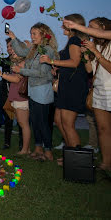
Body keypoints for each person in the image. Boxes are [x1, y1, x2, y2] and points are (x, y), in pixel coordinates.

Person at [40, 14, 89, 165]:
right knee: (58, 120)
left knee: (68, 123)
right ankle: (70, 153)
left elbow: (75, 62)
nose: (62, 26)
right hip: (65, 84)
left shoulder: (75, 40)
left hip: (74, 86)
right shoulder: (70, 42)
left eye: (65, 23)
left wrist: (53, 61)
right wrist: (57, 68)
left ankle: (77, 161)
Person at [8, 23, 58, 161]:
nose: (32, 36)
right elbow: (21, 52)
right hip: (33, 90)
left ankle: (48, 151)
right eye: (31, 33)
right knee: (35, 121)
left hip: (42, 90)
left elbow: (41, 73)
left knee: (42, 122)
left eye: (35, 34)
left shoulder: (47, 50)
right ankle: (38, 148)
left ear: (43, 34)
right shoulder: (34, 49)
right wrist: (13, 38)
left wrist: (21, 71)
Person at [80, 17, 111, 171]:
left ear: (103, 27)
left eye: (92, 27)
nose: (90, 31)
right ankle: (106, 163)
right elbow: (89, 71)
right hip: (99, 90)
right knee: (103, 129)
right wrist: (86, 56)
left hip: (110, 89)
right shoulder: (96, 46)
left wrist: (95, 52)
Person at [0, 53, 31, 155]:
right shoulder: (17, 63)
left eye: (14, 51)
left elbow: (16, 79)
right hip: (17, 97)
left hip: (21, 98)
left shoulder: (23, 63)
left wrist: (1, 74)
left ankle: (25, 149)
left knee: (24, 125)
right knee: (22, 123)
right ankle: (26, 148)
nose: (12, 53)